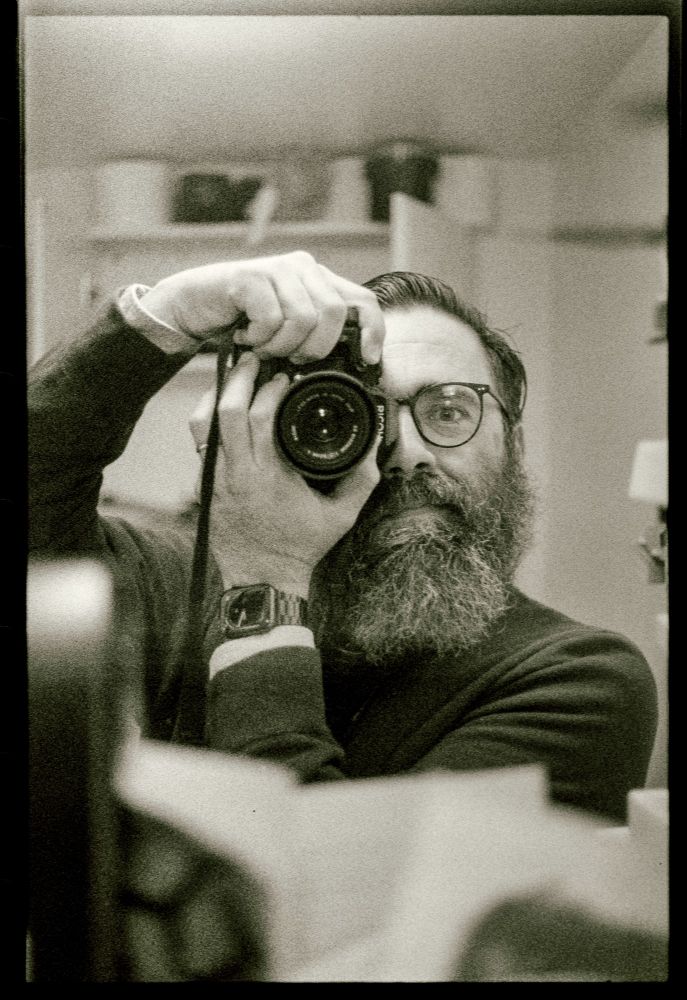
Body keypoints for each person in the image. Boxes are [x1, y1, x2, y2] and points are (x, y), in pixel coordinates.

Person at [28, 251, 657, 823]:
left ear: (511, 443)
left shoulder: (577, 683)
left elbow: (333, 892)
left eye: (448, 411)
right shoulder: (187, 584)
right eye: (365, 416)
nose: (407, 453)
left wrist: (265, 584)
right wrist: (167, 314)